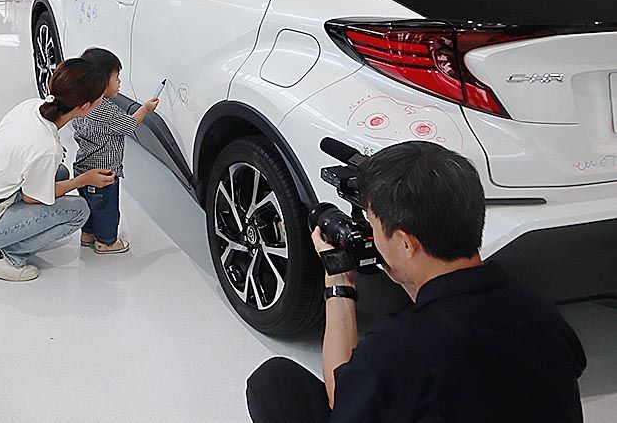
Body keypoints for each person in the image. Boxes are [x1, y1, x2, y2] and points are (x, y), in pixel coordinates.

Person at [245, 141, 586, 423]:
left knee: (273, 386)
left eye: (373, 226)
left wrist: (339, 284)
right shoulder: (541, 311)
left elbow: (342, 399)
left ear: (406, 243)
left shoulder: (396, 351)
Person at [0, 59, 116, 282]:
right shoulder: (46, 147)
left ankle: (10, 236)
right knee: (79, 210)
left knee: (59, 173)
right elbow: (31, 198)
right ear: (85, 106)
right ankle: (3, 256)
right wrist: (83, 180)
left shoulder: (30, 106)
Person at [73, 48, 160, 254]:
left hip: (83, 167)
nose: (120, 82)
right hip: (104, 172)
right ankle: (106, 242)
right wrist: (145, 108)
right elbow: (129, 125)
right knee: (106, 209)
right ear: (101, 83)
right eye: (116, 78)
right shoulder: (104, 110)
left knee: (90, 203)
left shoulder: (81, 103)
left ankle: (88, 234)